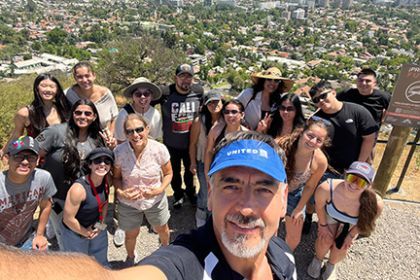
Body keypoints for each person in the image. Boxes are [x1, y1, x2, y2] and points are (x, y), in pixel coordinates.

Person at [0, 131, 297, 280]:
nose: (245, 207)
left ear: (283, 198)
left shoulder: (283, 256)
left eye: (263, 189)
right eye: (231, 185)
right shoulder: (186, 264)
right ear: (210, 192)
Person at [36, 99, 114, 249]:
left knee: (93, 231)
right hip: (58, 197)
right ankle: (71, 264)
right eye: (78, 112)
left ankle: (93, 260)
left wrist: (111, 148)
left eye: (87, 113)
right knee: (66, 235)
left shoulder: (98, 138)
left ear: (94, 117)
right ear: (72, 114)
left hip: (90, 197)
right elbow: (32, 152)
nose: (82, 116)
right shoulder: (55, 132)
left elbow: (105, 165)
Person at [303, 81, 378, 233]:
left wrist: (359, 165)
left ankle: (345, 227)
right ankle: (309, 218)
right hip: (326, 168)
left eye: (323, 96)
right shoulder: (316, 119)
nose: (322, 101)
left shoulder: (357, 111)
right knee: (313, 196)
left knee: (351, 199)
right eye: (316, 100)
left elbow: (369, 138)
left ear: (333, 92)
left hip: (353, 168)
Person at [113, 114, 173, 266]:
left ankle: (166, 250)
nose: (135, 135)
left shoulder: (159, 149)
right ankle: (131, 256)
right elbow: (116, 178)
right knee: (131, 234)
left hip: (155, 200)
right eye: (129, 131)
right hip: (129, 203)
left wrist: (159, 189)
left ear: (147, 129)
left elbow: (168, 173)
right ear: (125, 134)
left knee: (162, 228)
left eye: (139, 129)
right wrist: (121, 192)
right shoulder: (119, 152)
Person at [307, 161, 383, 280]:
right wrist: (322, 225)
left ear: (369, 186)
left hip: (351, 223)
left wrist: (351, 235)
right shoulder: (327, 188)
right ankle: (318, 258)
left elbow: (366, 222)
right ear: (345, 175)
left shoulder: (376, 204)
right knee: (325, 239)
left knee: (342, 245)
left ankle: (331, 264)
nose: (354, 184)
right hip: (331, 215)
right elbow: (319, 206)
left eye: (361, 182)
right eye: (352, 177)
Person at [276, 117, 330, 251]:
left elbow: (310, 186)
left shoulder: (320, 161)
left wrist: (300, 208)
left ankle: (284, 261)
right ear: (302, 132)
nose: (312, 142)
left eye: (319, 140)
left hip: (295, 193)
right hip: (274, 189)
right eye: (310, 136)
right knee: (270, 229)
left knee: (294, 237)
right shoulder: (281, 145)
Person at [154, 64, 203, 209]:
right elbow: (145, 102)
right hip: (171, 143)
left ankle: (190, 193)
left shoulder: (198, 92)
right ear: (175, 78)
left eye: (189, 77)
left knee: (190, 171)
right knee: (174, 172)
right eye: (182, 76)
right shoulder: (165, 93)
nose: (185, 80)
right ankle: (178, 195)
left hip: (191, 144)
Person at [0, 136, 56, 250]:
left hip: (25, 241)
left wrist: (39, 235)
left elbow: (46, 206)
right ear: (6, 158)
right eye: (18, 156)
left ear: (38, 159)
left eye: (31, 157)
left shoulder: (43, 178)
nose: (25, 162)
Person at [62, 147, 114, 266]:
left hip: (95, 226)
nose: (102, 164)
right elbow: (68, 219)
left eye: (107, 161)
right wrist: (86, 233)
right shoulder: (78, 189)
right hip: (75, 232)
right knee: (79, 265)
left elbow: (104, 202)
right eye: (97, 161)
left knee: (101, 261)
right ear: (90, 165)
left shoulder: (106, 181)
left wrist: (101, 224)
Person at [0, 73, 71, 158]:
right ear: (37, 88)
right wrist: (5, 151)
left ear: (57, 89)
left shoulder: (64, 109)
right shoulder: (26, 113)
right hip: (36, 160)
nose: (48, 89)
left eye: (52, 86)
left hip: (63, 158)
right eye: (43, 86)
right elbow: (17, 136)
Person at [337, 68, 391, 162]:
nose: (364, 83)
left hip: (369, 136)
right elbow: (333, 103)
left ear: (375, 83)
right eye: (361, 80)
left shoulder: (383, 97)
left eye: (368, 81)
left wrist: (382, 120)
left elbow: (391, 110)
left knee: (364, 165)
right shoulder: (347, 93)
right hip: (347, 134)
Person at [189, 91, 224, 227]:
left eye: (216, 101)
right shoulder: (200, 121)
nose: (213, 105)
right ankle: (202, 213)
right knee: (205, 189)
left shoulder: (226, 120)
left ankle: (214, 214)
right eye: (210, 102)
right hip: (202, 161)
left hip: (220, 163)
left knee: (217, 189)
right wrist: (192, 162)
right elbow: (192, 144)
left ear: (222, 102)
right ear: (206, 105)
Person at [65, 61, 118, 133]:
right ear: (75, 78)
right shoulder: (69, 94)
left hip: (104, 138)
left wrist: (111, 136)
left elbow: (115, 117)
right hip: (77, 138)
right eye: (80, 77)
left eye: (87, 76)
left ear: (94, 76)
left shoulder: (105, 94)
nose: (84, 80)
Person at [204, 100, 249, 182]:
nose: (230, 115)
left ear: (242, 115)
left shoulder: (247, 135)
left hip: (239, 175)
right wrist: (207, 173)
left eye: (234, 112)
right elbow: (209, 152)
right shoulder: (216, 131)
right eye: (226, 112)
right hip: (219, 173)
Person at [114, 77, 163, 142]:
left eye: (146, 94)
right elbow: (120, 140)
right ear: (132, 97)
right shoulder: (123, 114)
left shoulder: (155, 114)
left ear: (151, 96)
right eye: (138, 94)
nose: (142, 97)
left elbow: (154, 139)